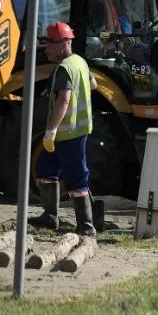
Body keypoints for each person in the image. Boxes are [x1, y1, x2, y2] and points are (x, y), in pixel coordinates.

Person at [31, 22, 98, 235]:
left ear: (64, 44)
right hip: (69, 133)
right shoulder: (79, 62)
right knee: (45, 170)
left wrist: (51, 130)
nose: (47, 47)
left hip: (69, 133)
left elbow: (64, 99)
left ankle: (86, 226)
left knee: (76, 178)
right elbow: (93, 84)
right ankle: (50, 217)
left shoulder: (64, 68)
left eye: (50, 43)